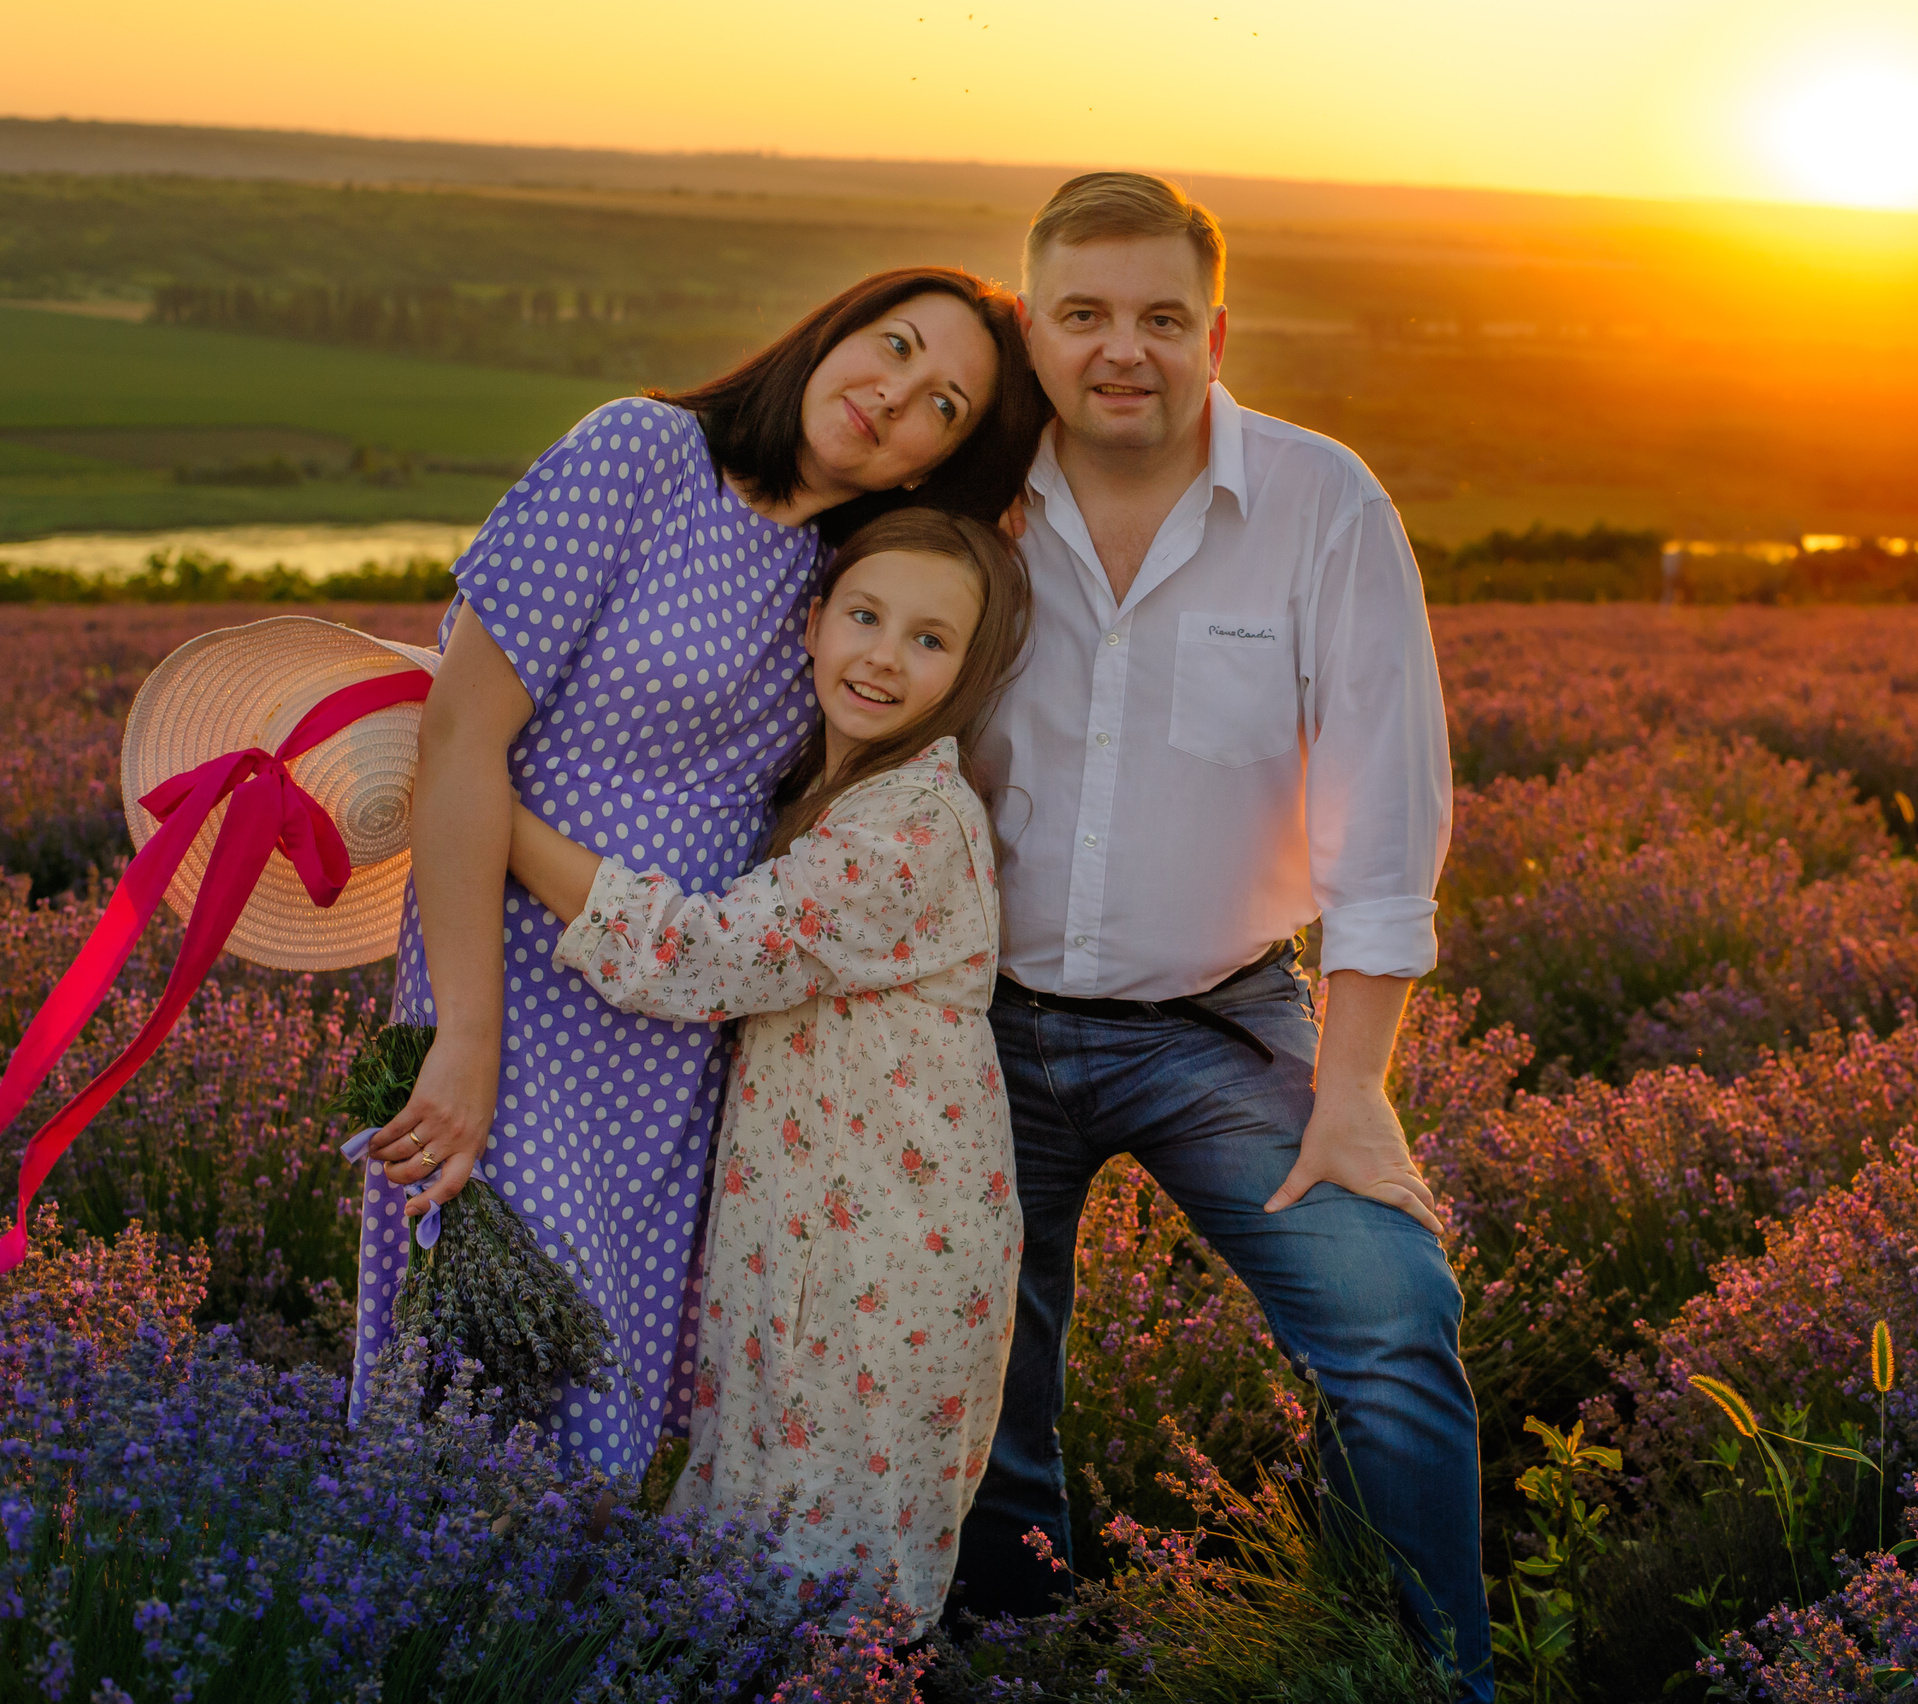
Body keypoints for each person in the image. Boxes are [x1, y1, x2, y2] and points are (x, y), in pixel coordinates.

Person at [359, 268, 1049, 1485]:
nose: (893, 396)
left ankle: (547, 1651)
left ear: (928, 471)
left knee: (605, 1386)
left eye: (943, 405)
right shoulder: (643, 455)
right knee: (474, 1365)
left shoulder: (840, 584)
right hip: (511, 978)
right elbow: (459, 738)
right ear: (831, 328)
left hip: (681, 1031)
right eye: (891, 345)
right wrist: (464, 1035)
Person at [953, 173, 1488, 1697]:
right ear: (1033, 328)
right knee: (982, 1374)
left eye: (1161, 318)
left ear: (1216, 331)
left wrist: (1357, 1087)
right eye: (1085, 316)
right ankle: (1015, 1660)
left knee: (1391, 1315)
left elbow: (1387, 817)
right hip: (969, 1017)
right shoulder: (964, 500)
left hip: (1220, 1021)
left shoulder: (1323, 504)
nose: (1125, 350)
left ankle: (1408, 1672)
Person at [502, 509, 1027, 1632]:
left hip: (889, 1240)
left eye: (930, 641)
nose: (885, 656)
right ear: (810, 623)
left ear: (971, 671)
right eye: (866, 617)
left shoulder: (911, 823)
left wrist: (489, 814)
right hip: (804, 1220)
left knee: (840, 1534)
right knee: (761, 1498)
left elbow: (701, 955)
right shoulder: (818, 786)